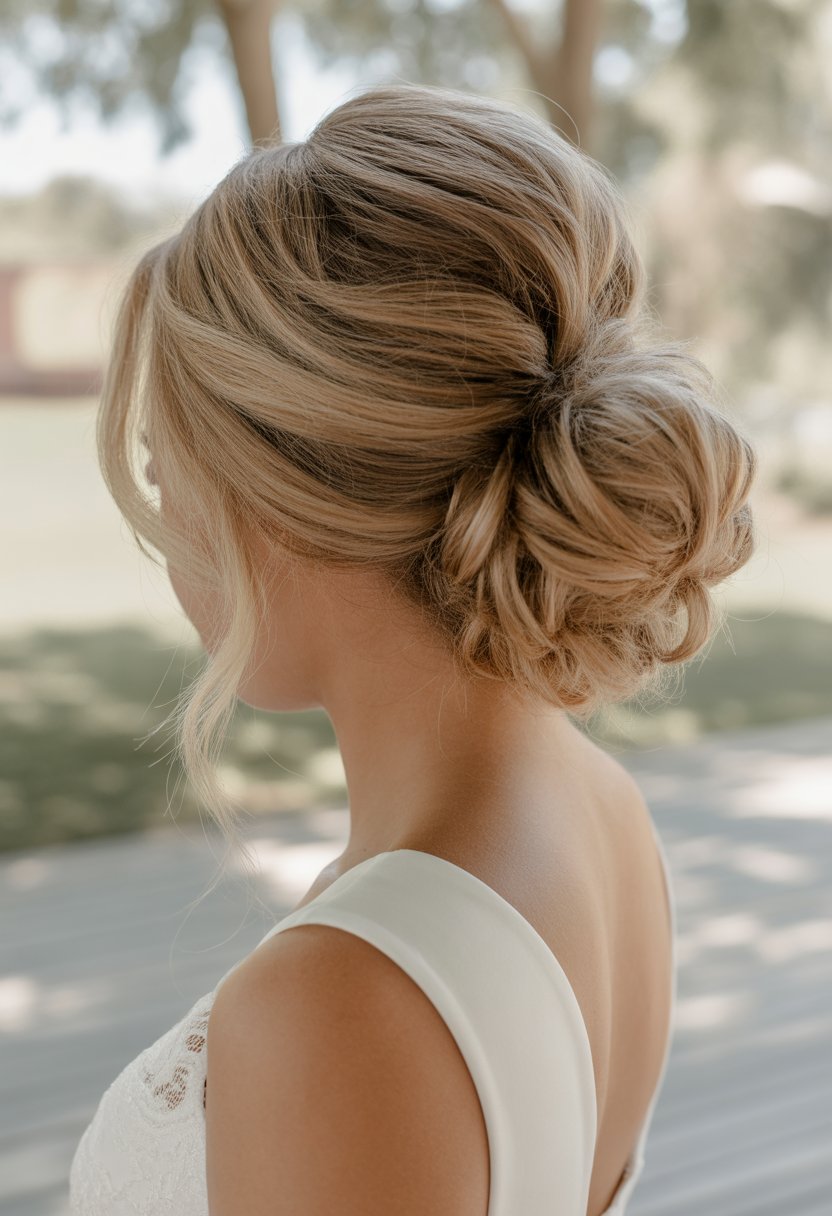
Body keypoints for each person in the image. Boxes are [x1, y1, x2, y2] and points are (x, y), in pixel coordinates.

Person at [70, 82, 756, 1215]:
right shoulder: (602, 811)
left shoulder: (337, 1005)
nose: (162, 526)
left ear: (281, 498)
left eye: (165, 468)